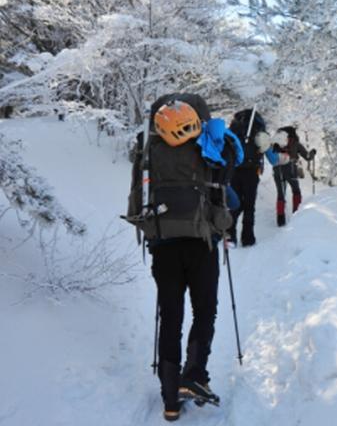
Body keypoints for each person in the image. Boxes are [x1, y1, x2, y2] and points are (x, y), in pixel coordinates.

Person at [124, 93, 243, 421]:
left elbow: (138, 192)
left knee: (170, 316)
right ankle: (193, 374)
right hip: (201, 245)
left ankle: (170, 398)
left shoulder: (151, 149)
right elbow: (230, 199)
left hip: (163, 246)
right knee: (205, 311)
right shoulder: (209, 145)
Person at [227, 109, 271, 247]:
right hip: (252, 172)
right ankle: (248, 238)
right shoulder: (259, 129)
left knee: (235, 203)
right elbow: (265, 148)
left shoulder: (234, 128)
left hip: (235, 170)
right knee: (249, 205)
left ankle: (230, 234)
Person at [266, 125, 316, 226]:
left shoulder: (275, 143)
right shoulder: (295, 143)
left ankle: (280, 220)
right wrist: (313, 153)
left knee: (280, 194)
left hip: (277, 169)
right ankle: (296, 215)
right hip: (291, 168)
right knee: (296, 191)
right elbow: (307, 157)